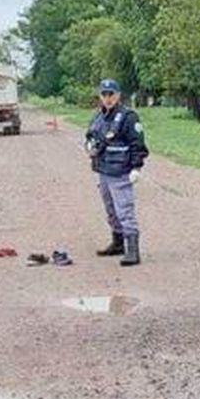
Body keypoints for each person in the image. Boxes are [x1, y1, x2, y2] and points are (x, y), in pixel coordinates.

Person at [85, 79, 148, 267]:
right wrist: (89, 146)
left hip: (121, 171)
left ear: (118, 95)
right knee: (110, 209)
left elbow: (138, 144)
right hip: (103, 169)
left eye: (111, 94)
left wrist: (136, 168)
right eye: (104, 94)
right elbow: (90, 136)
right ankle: (118, 242)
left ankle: (132, 251)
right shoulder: (98, 116)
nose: (107, 98)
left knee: (124, 210)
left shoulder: (128, 117)